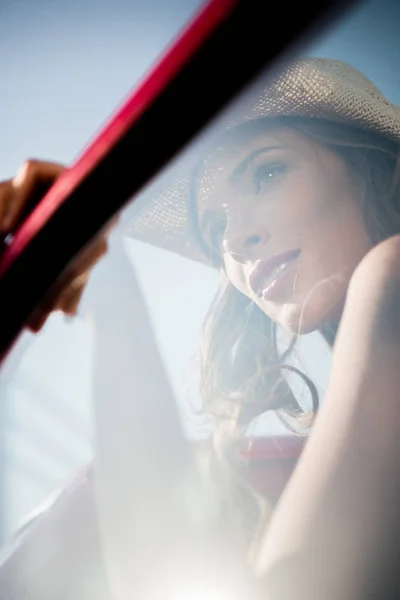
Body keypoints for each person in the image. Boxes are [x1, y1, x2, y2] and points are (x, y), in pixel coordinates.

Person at [3, 57, 400, 598]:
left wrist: (112, 296)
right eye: (215, 230)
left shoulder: (392, 270)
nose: (235, 240)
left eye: (267, 173)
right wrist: (106, 284)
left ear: (366, 164)